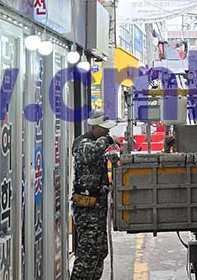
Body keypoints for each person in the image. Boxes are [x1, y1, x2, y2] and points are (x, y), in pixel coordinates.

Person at [71, 111, 119, 280]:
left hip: (98, 209)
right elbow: (91, 152)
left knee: (100, 251)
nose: (107, 131)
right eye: (104, 129)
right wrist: (109, 140)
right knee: (87, 254)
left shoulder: (97, 144)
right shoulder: (83, 143)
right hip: (87, 211)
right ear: (93, 127)